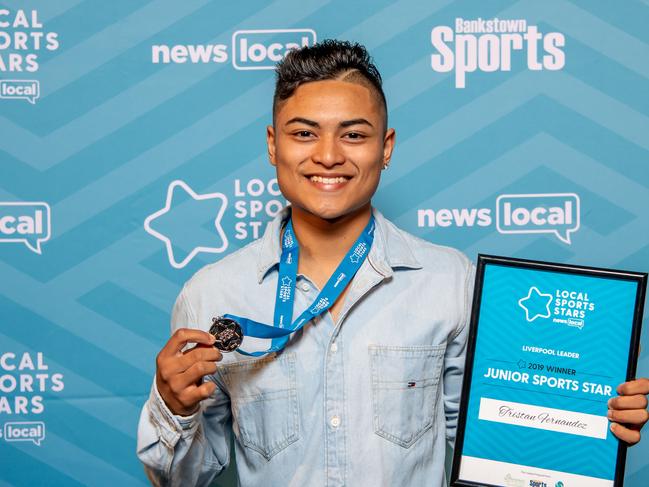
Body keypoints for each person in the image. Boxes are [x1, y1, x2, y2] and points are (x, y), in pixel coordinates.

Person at [137, 40, 649, 486]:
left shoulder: (450, 282)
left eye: (354, 135)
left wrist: (587, 425)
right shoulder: (211, 295)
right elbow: (181, 480)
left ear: (386, 149)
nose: (329, 155)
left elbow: (498, 445)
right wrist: (173, 408)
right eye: (303, 133)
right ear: (273, 146)